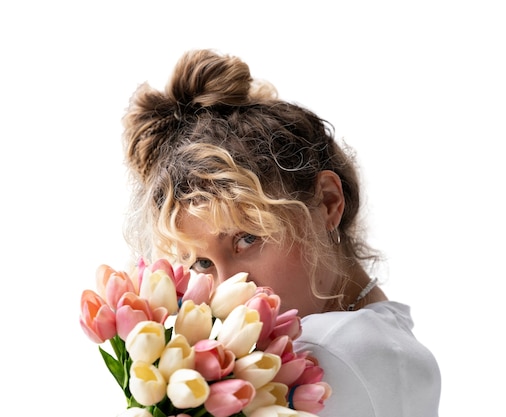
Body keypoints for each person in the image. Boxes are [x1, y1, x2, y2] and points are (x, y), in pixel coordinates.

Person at [120, 49, 441, 417]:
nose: (230, 287)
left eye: (247, 239)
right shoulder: (385, 335)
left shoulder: (322, 355)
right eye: (203, 262)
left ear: (328, 202)